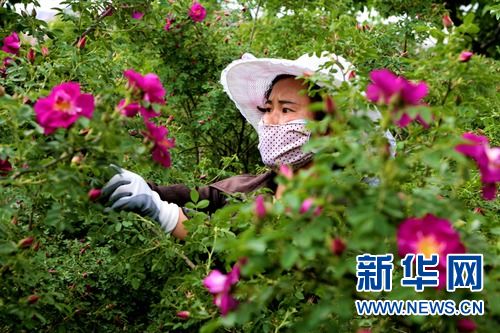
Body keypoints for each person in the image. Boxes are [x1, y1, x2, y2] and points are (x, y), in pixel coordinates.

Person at [100, 52, 375, 240]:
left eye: (287, 109)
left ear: (328, 127)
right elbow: (191, 196)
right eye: (268, 108)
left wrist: (166, 216)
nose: (271, 120)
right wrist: (126, 182)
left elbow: (255, 249)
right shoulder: (248, 187)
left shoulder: (340, 207)